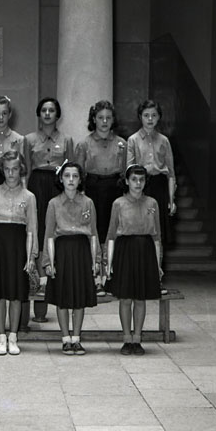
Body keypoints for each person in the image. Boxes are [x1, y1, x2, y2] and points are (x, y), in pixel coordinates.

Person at [0, 151, 37, 356]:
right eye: (7, 169)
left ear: (21, 170)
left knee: (16, 294)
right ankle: (1, 337)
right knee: (0, 294)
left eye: (15, 169)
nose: (11, 173)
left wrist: (31, 256)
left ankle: (13, 336)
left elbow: (32, 228)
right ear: (2, 170)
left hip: (18, 245)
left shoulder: (29, 197)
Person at [105, 164, 163, 356]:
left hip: (145, 250)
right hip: (125, 250)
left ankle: (137, 338)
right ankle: (126, 338)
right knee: (125, 298)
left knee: (140, 298)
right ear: (127, 181)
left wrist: (158, 264)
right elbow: (111, 235)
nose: (138, 183)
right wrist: (108, 263)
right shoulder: (118, 204)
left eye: (141, 180)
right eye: (134, 180)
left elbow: (156, 236)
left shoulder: (152, 203)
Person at [25, 97, 73, 322]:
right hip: (36, 186)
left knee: (55, 234)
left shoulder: (67, 140)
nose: (47, 114)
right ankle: (38, 306)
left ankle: (59, 295)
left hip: (57, 187)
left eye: (51, 110)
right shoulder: (28, 140)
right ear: (39, 113)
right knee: (38, 234)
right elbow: (25, 170)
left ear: (57, 115)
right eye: (43, 110)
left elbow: (71, 171)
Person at [44, 162, 98, 356]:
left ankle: (76, 338)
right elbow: (49, 234)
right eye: (67, 176)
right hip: (62, 251)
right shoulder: (53, 204)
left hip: (81, 251)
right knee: (63, 297)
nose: (71, 180)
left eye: (75, 176)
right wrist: (48, 261)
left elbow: (93, 234)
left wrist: (96, 261)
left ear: (80, 179)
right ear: (61, 179)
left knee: (79, 298)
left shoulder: (88, 203)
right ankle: (65, 339)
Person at [75, 100, 127, 295]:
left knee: (113, 231)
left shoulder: (122, 143)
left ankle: (110, 275)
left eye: (108, 117)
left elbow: (126, 172)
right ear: (93, 120)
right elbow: (78, 173)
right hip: (93, 188)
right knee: (94, 231)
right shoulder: (84, 144)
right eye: (100, 117)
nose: (104, 121)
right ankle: (95, 277)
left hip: (115, 188)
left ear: (113, 120)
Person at [126, 99, 176, 245]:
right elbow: (129, 170)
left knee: (159, 230)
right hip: (140, 186)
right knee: (141, 228)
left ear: (159, 117)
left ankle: (158, 260)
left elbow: (170, 174)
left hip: (160, 187)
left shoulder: (164, 141)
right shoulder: (133, 140)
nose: (150, 119)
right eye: (146, 115)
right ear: (140, 117)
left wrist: (171, 200)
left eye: (154, 115)